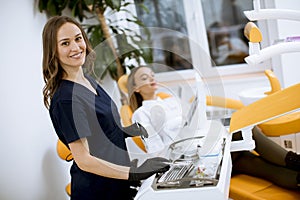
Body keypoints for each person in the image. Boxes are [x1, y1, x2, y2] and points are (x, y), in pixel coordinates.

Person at [41, 16, 170, 200]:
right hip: (97, 191)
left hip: (117, 183)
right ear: (53, 50)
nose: (76, 47)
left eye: (78, 38)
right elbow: (84, 160)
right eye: (65, 43)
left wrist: (124, 131)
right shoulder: (66, 100)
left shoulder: (87, 81)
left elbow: (97, 130)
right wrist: (134, 172)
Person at [127, 65, 300, 190]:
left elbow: (192, 122)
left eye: (152, 75)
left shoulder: (169, 101)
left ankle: (297, 176)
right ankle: (295, 160)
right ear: (135, 88)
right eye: (144, 78)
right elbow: (156, 152)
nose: (151, 78)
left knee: (250, 161)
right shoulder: (141, 114)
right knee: (245, 130)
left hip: (199, 146)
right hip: (186, 160)